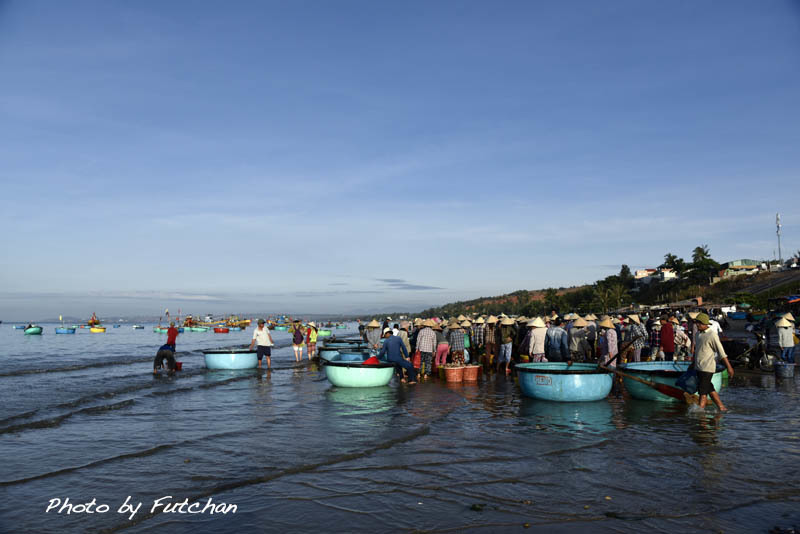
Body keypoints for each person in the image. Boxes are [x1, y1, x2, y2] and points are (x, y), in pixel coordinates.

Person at [693, 312, 734, 411]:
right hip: (699, 367)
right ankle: (722, 407)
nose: (697, 325)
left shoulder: (712, 335)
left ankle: (699, 414)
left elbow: (721, 353)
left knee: (703, 393)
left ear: (704, 323)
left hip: (707, 368)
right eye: (696, 323)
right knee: (709, 388)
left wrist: (729, 367)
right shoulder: (698, 334)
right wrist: (692, 363)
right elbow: (697, 351)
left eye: (699, 323)